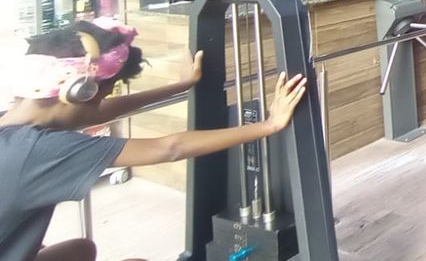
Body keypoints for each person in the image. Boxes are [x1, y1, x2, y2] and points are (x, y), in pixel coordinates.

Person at [0, 19, 307, 261]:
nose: (101, 104)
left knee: (81, 251)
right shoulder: (38, 151)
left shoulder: (14, 123)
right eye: (100, 96)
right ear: (77, 92)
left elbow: (96, 112)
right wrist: (270, 124)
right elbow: (170, 148)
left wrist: (183, 85)